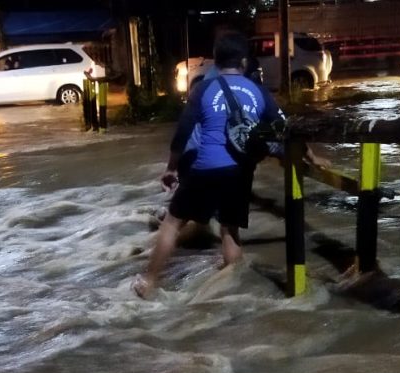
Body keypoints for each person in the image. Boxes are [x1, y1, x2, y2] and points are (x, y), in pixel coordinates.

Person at [132, 31, 329, 299]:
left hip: (206, 168)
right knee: (230, 230)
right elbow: (286, 129)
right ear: (245, 62)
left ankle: (149, 283)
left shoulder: (203, 89)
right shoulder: (258, 91)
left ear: (215, 62)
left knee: (172, 223)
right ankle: (233, 298)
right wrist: (312, 157)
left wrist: (172, 168)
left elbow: (183, 132)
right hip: (240, 172)